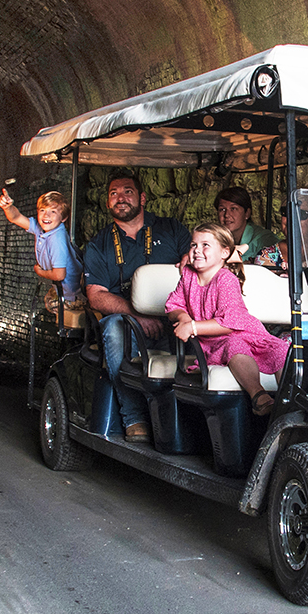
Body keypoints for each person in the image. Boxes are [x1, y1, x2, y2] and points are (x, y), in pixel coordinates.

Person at [83, 169, 192, 442]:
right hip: (126, 317)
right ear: (108, 203)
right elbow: (96, 295)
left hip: (173, 311)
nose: (121, 198)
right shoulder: (99, 245)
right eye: (114, 194)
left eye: (127, 192)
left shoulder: (171, 229)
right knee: (114, 330)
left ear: (142, 198)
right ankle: (134, 417)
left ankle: (186, 416)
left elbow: (194, 263)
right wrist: (137, 316)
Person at [166, 223, 290, 416]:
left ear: (224, 253)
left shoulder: (226, 279)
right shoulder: (188, 276)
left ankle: (288, 401)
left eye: (205, 245)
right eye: (193, 245)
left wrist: (192, 327)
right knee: (234, 345)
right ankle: (258, 396)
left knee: (280, 349)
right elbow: (174, 305)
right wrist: (183, 318)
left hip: (247, 333)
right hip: (218, 343)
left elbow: (230, 323)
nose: (197, 250)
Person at [0, 189, 84, 310]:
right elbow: (16, 217)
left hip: (72, 297)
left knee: (50, 305)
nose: (46, 215)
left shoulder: (57, 239)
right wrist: (8, 207)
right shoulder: (41, 229)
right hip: (62, 291)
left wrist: (39, 272)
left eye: (53, 212)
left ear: (63, 218)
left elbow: (59, 275)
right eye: (42, 210)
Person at [214, 186, 279, 263]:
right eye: (222, 209)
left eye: (233, 209)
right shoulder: (213, 240)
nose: (227, 215)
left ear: (247, 213)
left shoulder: (264, 240)